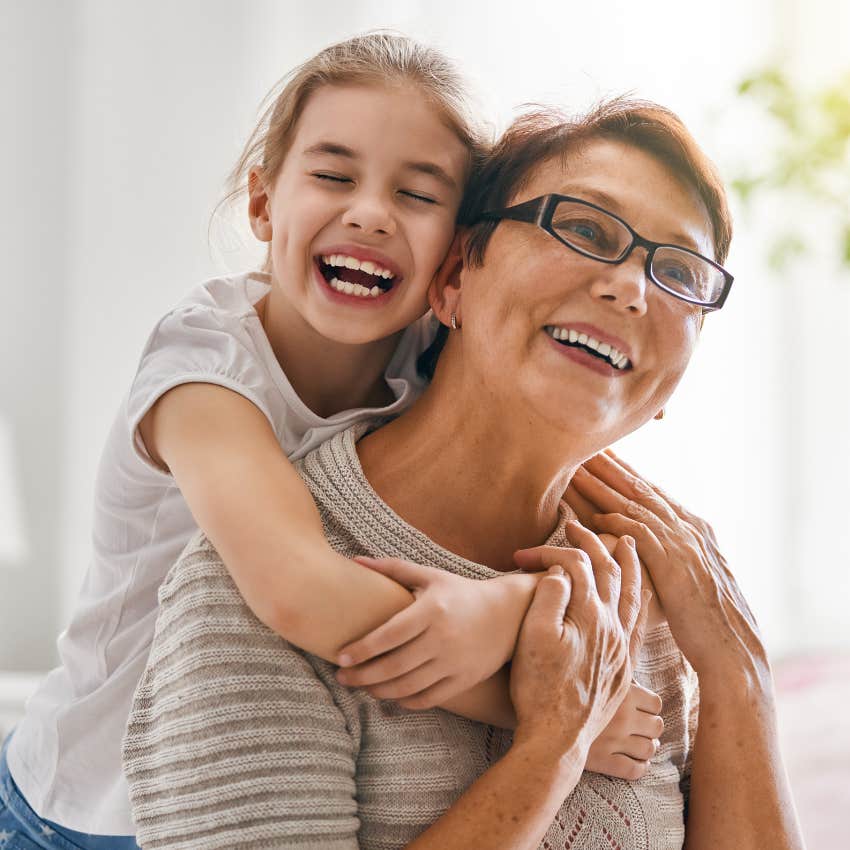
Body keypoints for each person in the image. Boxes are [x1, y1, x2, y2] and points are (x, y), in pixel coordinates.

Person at [0, 32, 656, 849]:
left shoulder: (432, 358)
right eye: (333, 175)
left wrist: (519, 601)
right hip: (82, 810)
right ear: (264, 204)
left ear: (457, 251)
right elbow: (297, 592)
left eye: (418, 195)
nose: (371, 212)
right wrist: (552, 697)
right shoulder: (202, 372)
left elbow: (562, 485)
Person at [121, 100, 805, 848]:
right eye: (582, 227)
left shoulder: (668, 598)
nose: (632, 288)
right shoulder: (250, 586)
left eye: (678, 272)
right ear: (451, 279)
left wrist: (739, 675)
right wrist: (553, 746)